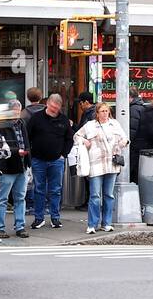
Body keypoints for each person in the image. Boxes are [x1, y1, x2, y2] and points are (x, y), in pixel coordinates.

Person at [76, 102, 128, 233]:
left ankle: (107, 223)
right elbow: (76, 136)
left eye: (107, 111)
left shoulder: (115, 124)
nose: (105, 114)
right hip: (96, 164)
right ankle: (92, 224)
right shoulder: (90, 126)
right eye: (102, 111)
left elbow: (125, 138)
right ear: (97, 113)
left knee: (109, 195)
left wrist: (123, 143)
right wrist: (84, 141)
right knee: (95, 195)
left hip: (112, 164)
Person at [26, 93, 73, 229]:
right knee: (39, 189)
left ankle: (55, 218)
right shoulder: (36, 118)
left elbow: (69, 139)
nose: (54, 109)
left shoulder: (63, 120)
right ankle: (39, 218)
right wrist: (31, 155)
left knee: (56, 190)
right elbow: (27, 137)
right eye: (52, 106)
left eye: (57, 108)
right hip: (38, 159)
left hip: (56, 160)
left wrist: (63, 154)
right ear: (47, 104)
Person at [0, 101, 31, 240]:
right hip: (7, 166)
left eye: (18, 111)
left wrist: (28, 162)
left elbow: (26, 142)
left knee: (20, 198)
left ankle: (20, 226)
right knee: (2, 198)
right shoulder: (2, 126)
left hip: (21, 166)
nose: (16, 114)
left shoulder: (22, 124)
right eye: (14, 111)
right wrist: (16, 152)